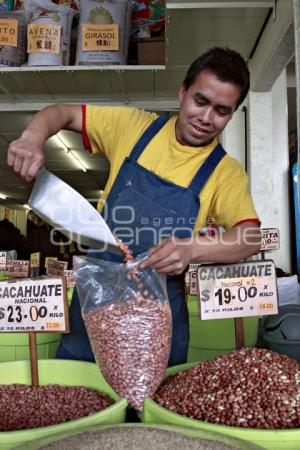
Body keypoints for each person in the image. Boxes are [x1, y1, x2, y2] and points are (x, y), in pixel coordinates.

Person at [7, 47, 261, 367]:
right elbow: (63, 112)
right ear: (182, 93)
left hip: (157, 321)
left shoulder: (225, 172)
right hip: (94, 308)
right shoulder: (134, 127)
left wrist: (192, 250)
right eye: (201, 101)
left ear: (232, 113)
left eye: (222, 111)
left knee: (148, 413)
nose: (207, 118)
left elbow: (249, 238)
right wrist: (32, 137)